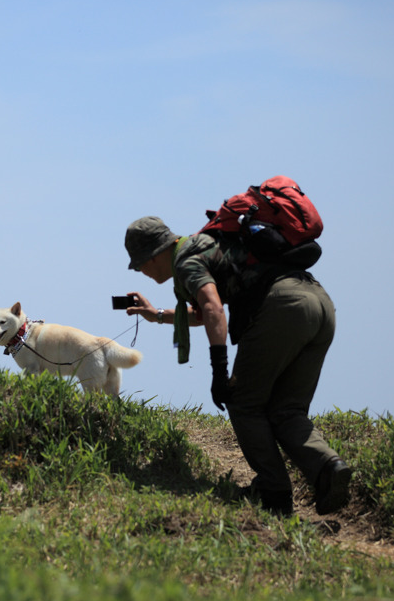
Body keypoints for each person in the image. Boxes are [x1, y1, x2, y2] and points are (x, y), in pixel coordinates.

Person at [123, 215, 350, 517]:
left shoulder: (186, 261)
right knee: (286, 410)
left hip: (282, 307)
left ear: (154, 254)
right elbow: (205, 310)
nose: (141, 270)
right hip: (318, 303)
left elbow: (213, 308)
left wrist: (220, 371)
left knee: (243, 401)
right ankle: (328, 468)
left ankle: (273, 492)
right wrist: (158, 314)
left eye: (139, 263)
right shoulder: (207, 244)